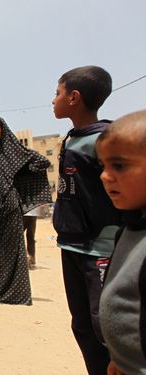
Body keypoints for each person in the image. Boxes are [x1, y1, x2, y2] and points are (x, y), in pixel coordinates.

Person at [51, 65, 122, 375]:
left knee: (105, 327)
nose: (53, 100)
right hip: (72, 246)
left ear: (74, 98)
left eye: (58, 93)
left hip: (101, 251)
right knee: (82, 326)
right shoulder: (71, 138)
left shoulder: (106, 140)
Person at [0, 117, 51, 306]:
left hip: (9, 208)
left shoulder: (13, 149)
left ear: (3, 130)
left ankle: (14, 293)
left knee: (10, 252)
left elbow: (42, 161)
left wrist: (22, 175)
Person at [96, 110, 146, 375]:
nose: (105, 176)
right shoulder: (128, 231)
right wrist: (121, 357)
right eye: (103, 165)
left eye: (119, 165)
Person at [23, 205, 41, 269]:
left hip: (30, 213)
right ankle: (30, 259)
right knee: (30, 237)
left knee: (30, 237)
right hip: (27, 213)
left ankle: (30, 259)